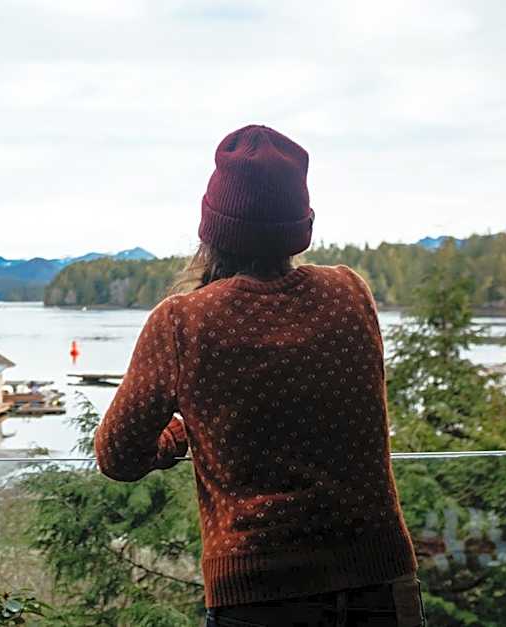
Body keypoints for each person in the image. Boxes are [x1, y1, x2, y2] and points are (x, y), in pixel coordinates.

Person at [94, 125, 424, 626]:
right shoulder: (350, 293)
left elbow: (117, 455)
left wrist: (183, 433)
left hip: (257, 595)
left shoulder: (183, 321)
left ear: (212, 228)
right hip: (380, 582)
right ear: (301, 224)